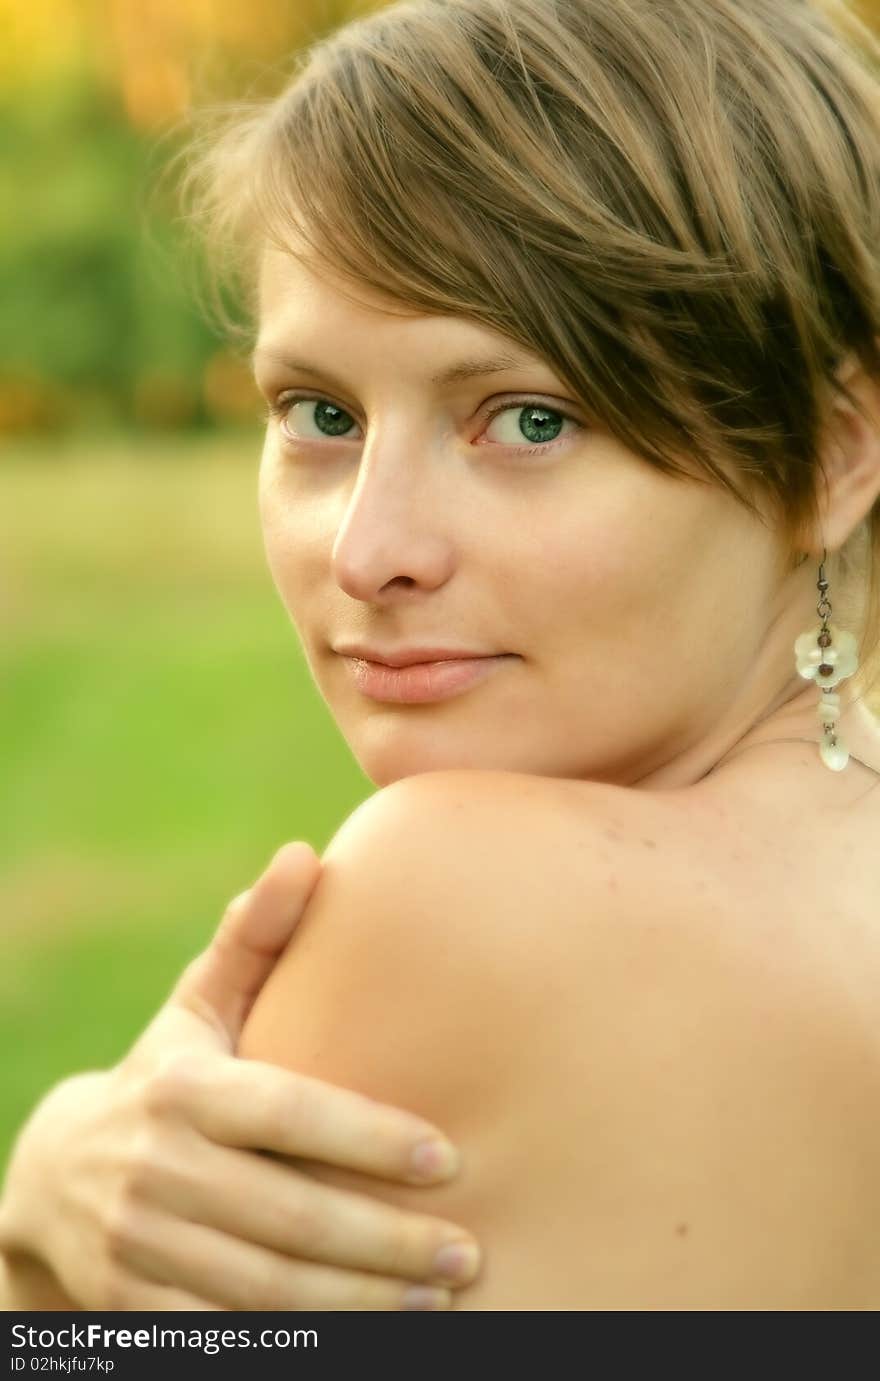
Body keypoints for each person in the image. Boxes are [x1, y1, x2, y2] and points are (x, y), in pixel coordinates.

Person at [4, 0, 880, 1309]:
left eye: (526, 419)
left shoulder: (453, 895)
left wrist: (35, 1245)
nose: (369, 552)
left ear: (829, 453)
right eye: (320, 414)